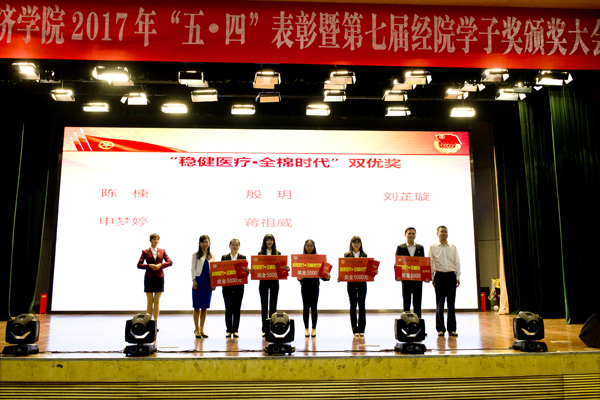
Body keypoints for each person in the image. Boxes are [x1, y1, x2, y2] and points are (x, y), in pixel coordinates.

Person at [428, 225, 461, 337]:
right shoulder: (433, 247)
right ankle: (440, 329)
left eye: (445, 232)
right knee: (440, 304)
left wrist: (458, 277)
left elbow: (457, 262)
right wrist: (432, 278)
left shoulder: (453, 247)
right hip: (439, 276)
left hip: (451, 276)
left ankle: (452, 329)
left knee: (451, 304)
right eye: (441, 232)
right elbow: (430, 263)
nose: (444, 233)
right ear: (437, 234)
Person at [137, 233, 172, 329]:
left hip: (159, 277)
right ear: (150, 240)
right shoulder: (145, 251)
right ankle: (148, 322)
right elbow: (139, 265)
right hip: (149, 277)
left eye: (157, 239)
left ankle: (155, 323)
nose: (156, 241)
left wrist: (161, 265)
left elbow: (170, 262)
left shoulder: (162, 251)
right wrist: (149, 265)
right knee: (149, 301)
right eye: (154, 239)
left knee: (156, 301)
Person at [257, 233, 289, 336]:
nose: (269, 242)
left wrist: (287, 269)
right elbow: (257, 267)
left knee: (273, 306)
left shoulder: (278, 254)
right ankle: (265, 329)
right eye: (267, 240)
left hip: (274, 282)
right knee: (264, 306)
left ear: (273, 242)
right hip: (263, 282)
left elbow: (282, 268)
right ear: (264, 242)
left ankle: (272, 328)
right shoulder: (260, 254)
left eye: (271, 240)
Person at [298, 239, 330, 338]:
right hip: (305, 286)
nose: (309, 247)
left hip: (315, 286)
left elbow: (322, 275)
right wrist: (299, 278)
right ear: (304, 247)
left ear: (314, 247)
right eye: (307, 245)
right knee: (305, 307)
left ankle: (314, 328)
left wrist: (327, 276)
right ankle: (306, 328)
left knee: (314, 307)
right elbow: (298, 274)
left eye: (311, 245)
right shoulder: (301, 259)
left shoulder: (318, 259)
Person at [396, 227, 427, 318]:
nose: (411, 235)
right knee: (406, 302)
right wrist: (398, 275)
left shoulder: (420, 248)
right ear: (405, 235)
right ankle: (406, 323)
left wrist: (426, 276)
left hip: (417, 279)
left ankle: (418, 322)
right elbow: (397, 263)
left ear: (415, 235)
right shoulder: (400, 247)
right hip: (406, 279)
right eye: (409, 233)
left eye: (413, 233)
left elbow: (423, 264)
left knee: (417, 302)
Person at [221, 238, 249, 338]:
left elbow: (245, 273)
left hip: (239, 287)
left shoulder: (243, 257)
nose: (234, 246)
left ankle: (236, 329)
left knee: (237, 308)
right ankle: (229, 330)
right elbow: (221, 271)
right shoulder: (224, 257)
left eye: (236, 245)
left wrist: (247, 271)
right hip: (227, 287)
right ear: (229, 246)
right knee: (228, 308)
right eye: (233, 245)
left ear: (239, 246)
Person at [191, 235, 215, 338]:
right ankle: (196, 329)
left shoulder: (212, 255)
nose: (205, 244)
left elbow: (214, 270)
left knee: (205, 307)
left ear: (209, 243)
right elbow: (192, 268)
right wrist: (193, 280)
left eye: (207, 242)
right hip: (198, 281)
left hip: (208, 282)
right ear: (199, 244)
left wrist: (214, 282)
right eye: (203, 242)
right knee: (197, 306)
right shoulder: (195, 255)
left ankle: (202, 329)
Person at [344, 236, 368, 337]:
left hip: (362, 282)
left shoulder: (364, 255)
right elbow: (344, 268)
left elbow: (367, 269)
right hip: (351, 283)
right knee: (353, 305)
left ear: (361, 244)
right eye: (354, 242)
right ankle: (354, 328)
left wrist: (374, 271)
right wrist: (341, 276)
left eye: (358, 242)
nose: (356, 244)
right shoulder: (347, 255)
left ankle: (362, 328)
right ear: (351, 244)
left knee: (362, 305)